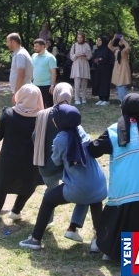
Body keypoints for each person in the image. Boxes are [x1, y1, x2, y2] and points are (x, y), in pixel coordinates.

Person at [20, 104, 107, 250]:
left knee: (48, 200)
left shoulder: (61, 139)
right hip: (99, 181)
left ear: (59, 122)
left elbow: (56, 161)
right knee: (94, 199)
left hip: (79, 187)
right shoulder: (81, 130)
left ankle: (35, 239)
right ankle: (98, 241)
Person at [88, 93, 139, 261]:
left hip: (127, 190)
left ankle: (112, 251)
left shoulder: (115, 131)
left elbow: (93, 150)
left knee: (114, 217)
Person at [33, 82, 92, 245]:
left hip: (45, 165)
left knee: (49, 193)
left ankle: (46, 222)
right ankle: (73, 227)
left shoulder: (42, 114)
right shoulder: (71, 115)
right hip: (66, 166)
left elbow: (34, 136)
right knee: (86, 189)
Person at [0, 84, 44, 220]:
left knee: (1, 184)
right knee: (28, 185)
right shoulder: (41, 118)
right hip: (30, 160)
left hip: (9, 158)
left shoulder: (8, 114)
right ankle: (16, 211)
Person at [6, 33, 34, 104]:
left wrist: (16, 94)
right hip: (23, 91)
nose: (7, 44)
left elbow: (21, 75)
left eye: (8, 42)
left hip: (23, 92)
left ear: (13, 42)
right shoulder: (18, 53)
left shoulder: (20, 54)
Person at [31, 38, 57, 108]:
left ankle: (49, 119)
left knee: (49, 107)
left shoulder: (50, 57)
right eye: (34, 46)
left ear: (42, 46)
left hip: (47, 86)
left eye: (37, 46)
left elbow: (53, 72)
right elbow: (32, 69)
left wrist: (52, 85)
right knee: (37, 107)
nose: (35, 48)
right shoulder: (33, 56)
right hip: (35, 85)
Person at [69, 32, 92, 105]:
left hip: (84, 63)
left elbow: (89, 56)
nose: (79, 39)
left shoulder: (87, 45)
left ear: (83, 38)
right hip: (76, 64)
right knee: (77, 82)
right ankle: (77, 98)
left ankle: (84, 97)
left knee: (84, 82)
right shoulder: (74, 45)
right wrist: (76, 55)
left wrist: (85, 55)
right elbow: (71, 56)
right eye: (78, 37)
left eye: (81, 37)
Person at [109, 34, 131, 105]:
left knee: (121, 85)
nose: (120, 42)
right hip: (117, 68)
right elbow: (109, 46)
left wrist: (123, 40)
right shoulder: (116, 49)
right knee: (118, 86)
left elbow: (127, 47)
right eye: (119, 41)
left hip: (123, 68)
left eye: (121, 41)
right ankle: (121, 100)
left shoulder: (125, 50)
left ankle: (124, 101)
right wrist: (114, 38)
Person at [91, 36, 113, 105]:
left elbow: (105, 59)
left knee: (105, 84)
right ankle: (101, 98)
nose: (98, 42)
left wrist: (99, 60)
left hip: (106, 69)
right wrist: (98, 60)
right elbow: (93, 59)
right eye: (98, 40)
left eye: (100, 40)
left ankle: (106, 99)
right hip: (98, 69)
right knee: (99, 83)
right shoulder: (96, 50)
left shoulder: (107, 49)